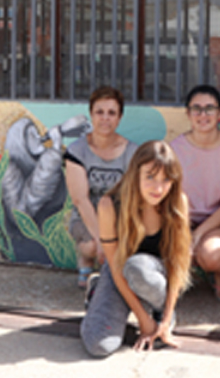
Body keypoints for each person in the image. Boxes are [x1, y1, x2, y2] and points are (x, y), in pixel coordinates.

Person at [80, 140, 191, 356]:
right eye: (150, 177)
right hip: (118, 272)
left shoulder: (178, 203)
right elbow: (115, 265)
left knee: (138, 268)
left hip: (156, 277)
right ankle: (97, 290)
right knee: (99, 346)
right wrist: (144, 322)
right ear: (135, 174)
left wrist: (165, 319)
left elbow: (178, 265)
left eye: (166, 179)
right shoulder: (109, 204)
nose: (158, 188)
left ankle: (159, 311)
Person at [170, 85, 220, 302]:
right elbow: (168, 196)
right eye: (197, 108)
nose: (203, 114)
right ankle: (178, 281)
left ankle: (219, 276)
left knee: (212, 254)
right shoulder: (175, 149)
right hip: (181, 218)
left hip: (217, 222)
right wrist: (183, 231)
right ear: (188, 113)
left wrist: (198, 234)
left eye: (209, 108)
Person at [65, 86, 138, 288]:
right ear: (91, 115)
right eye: (100, 112)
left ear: (120, 117)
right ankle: (86, 259)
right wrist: (101, 242)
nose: (105, 118)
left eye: (111, 113)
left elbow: (133, 197)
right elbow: (80, 199)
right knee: (91, 246)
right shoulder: (77, 151)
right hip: (86, 217)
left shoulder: (132, 152)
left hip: (118, 217)